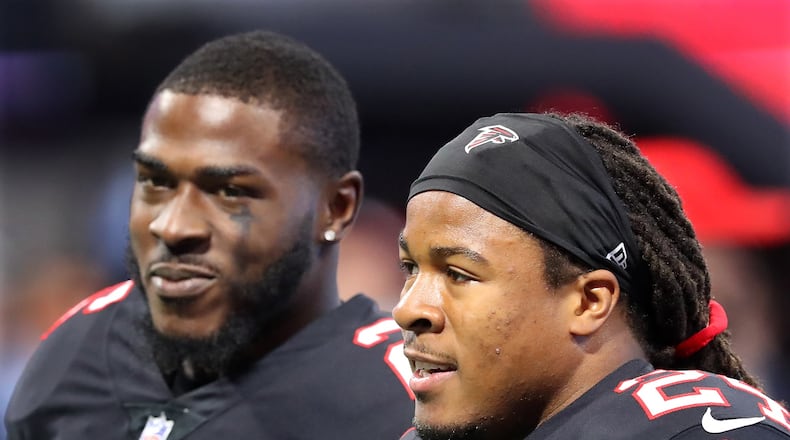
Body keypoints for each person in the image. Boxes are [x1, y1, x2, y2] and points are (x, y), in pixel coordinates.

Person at [4, 30, 414, 439]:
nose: (173, 225)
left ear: (336, 209)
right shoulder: (82, 349)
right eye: (154, 182)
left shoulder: (403, 407)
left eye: (230, 192)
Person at [394, 112, 790, 439]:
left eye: (459, 274)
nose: (407, 309)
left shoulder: (691, 430)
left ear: (588, 302)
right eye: (410, 268)